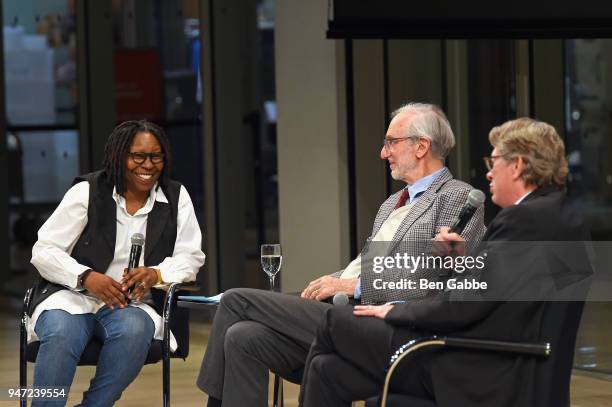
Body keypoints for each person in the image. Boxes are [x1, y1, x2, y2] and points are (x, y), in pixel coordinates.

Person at [197, 103, 486, 406]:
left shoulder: (456, 197)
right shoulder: (391, 204)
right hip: (348, 308)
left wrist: (354, 286)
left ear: (421, 147)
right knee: (243, 336)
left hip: (386, 324)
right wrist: (333, 280)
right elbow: (366, 266)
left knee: (235, 300)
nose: (383, 153)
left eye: (391, 142)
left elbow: (433, 280)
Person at [298, 117, 592, 407]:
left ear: (516, 166)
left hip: (477, 366)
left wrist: (393, 311)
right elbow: (500, 292)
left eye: (494, 163)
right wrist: (464, 260)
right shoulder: (562, 216)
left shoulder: (524, 220)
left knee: (334, 321)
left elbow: (461, 304)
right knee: (328, 369)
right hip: (508, 361)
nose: (488, 174)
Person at [28, 120, 205, 407]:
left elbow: (191, 257)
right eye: (138, 156)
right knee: (62, 332)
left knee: (135, 330)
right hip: (71, 297)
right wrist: (85, 277)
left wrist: (155, 273)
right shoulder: (88, 191)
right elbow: (44, 249)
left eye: (156, 156)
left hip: (130, 305)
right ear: (118, 156)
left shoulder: (175, 197)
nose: (147, 165)